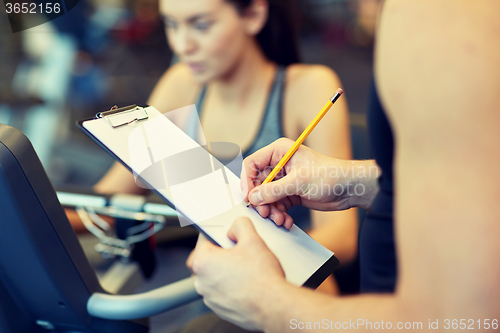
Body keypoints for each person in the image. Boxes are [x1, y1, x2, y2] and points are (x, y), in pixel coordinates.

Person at [187, 0, 500, 331]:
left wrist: (267, 302)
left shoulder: (438, 14)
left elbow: (463, 321)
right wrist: (352, 183)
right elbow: (477, 189)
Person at [69, 0, 358, 293]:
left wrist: (256, 257)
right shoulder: (182, 84)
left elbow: (343, 237)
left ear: (254, 15)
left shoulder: (309, 87)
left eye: (201, 25)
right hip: (212, 280)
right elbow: (106, 203)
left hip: (291, 288)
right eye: (171, 24)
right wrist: (30, 222)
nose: (182, 45)